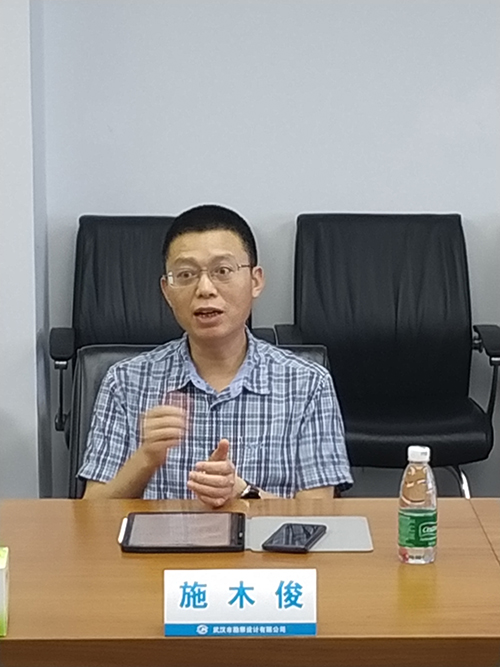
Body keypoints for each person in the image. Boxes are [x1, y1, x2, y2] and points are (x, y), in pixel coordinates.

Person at [79, 204, 352, 505]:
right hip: (160, 537)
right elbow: (91, 513)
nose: (205, 289)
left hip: (263, 538)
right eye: (186, 274)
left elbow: (319, 513)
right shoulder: (125, 382)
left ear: (255, 281)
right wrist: (146, 458)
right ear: (167, 291)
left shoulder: (307, 384)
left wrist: (243, 494)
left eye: (222, 271)